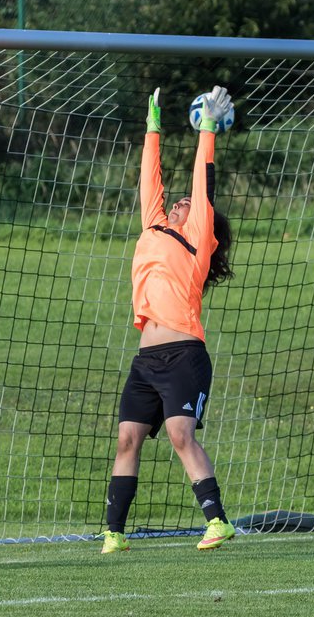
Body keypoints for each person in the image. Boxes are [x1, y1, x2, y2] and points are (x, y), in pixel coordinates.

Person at [101, 87, 238, 554]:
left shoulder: (198, 240)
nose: (179, 203)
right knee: (127, 438)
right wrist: (152, 128)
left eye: (187, 204)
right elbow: (150, 179)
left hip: (184, 355)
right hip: (146, 359)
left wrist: (207, 130)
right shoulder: (154, 226)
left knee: (181, 434)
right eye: (176, 202)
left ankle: (217, 522)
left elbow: (203, 180)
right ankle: (113, 532)